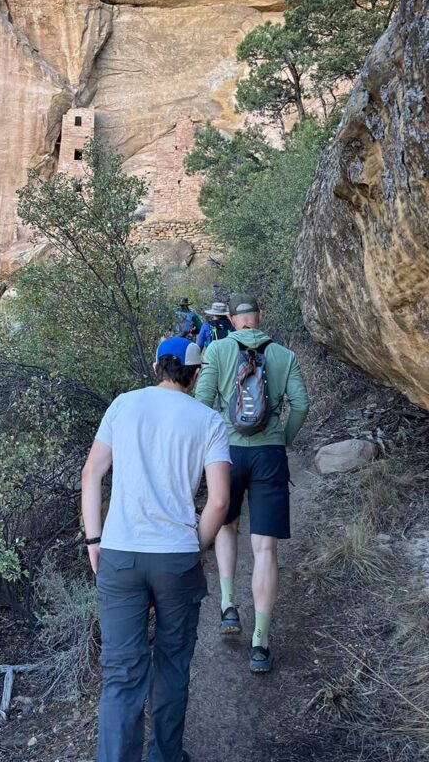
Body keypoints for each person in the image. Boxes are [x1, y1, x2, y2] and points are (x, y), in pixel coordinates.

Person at [81, 337, 231, 762]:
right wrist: (195, 546)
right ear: (195, 374)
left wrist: (95, 541)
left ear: (155, 368)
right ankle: (164, 756)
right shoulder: (208, 420)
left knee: (121, 676)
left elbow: (91, 474)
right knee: (172, 665)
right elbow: (219, 501)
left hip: (120, 554)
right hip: (176, 558)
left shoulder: (123, 405)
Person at [195, 293, 310, 675]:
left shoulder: (217, 352)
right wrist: (282, 438)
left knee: (227, 524)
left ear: (231, 319)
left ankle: (229, 606)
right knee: (265, 547)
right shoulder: (284, 355)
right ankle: (260, 642)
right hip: (269, 454)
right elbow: (301, 404)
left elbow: (202, 400)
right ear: (259, 317)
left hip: (227, 452)